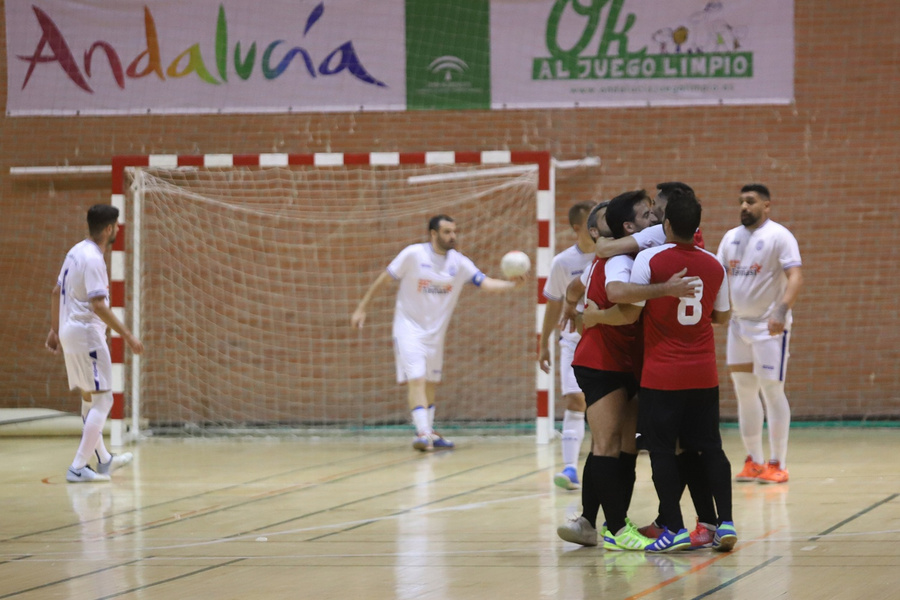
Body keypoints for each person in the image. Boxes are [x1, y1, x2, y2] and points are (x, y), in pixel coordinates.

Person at [622, 189, 737, 552]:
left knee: (661, 451)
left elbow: (631, 306)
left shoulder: (650, 259)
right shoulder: (714, 264)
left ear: (667, 224)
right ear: (697, 226)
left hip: (662, 374)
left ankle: (673, 527)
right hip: (704, 372)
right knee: (712, 448)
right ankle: (726, 523)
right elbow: (721, 316)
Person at [351, 215, 524, 452]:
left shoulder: (459, 262)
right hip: (408, 329)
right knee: (417, 379)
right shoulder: (413, 254)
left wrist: (513, 285)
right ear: (433, 234)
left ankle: (429, 431)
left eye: (454, 231)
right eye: (446, 232)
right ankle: (422, 433)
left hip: (435, 334)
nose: (452, 236)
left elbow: (484, 283)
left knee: (431, 383)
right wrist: (362, 308)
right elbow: (385, 279)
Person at [46, 204, 144, 483]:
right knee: (104, 400)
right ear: (110, 229)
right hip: (86, 333)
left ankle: (103, 460)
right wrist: (128, 335)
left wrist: (55, 330)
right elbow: (99, 305)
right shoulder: (94, 259)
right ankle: (78, 466)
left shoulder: (75, 251)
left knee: (90, 399)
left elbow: (56, 291)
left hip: (69, 330)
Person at [716, 184, 803, 484]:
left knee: (771, 390)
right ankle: (754, 460)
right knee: (744, 390)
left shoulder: (780, 236)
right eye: (740, 201)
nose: (744, 206)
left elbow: (795, 276)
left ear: (767, 205)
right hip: (738, 326)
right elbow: (719, 277)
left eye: (750, 201)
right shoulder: (730, 237)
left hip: (770, 328)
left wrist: (781, 310)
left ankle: (778, 463)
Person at [538, 201, 597, 490]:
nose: (598, 226)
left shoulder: (611, 256)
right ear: (577, 227)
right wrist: (544, 343)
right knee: (575, 400)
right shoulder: (563, 262)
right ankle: (571, 468)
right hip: (573, 341)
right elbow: (553, 303)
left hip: (606, 341)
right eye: (591, 222)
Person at [593, 182, 705, 260]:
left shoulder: (660, 231)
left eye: (654, 204)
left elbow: (603, 249)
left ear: (667, 208)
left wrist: (602, 240)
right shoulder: (693, 229)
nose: (652, 210)